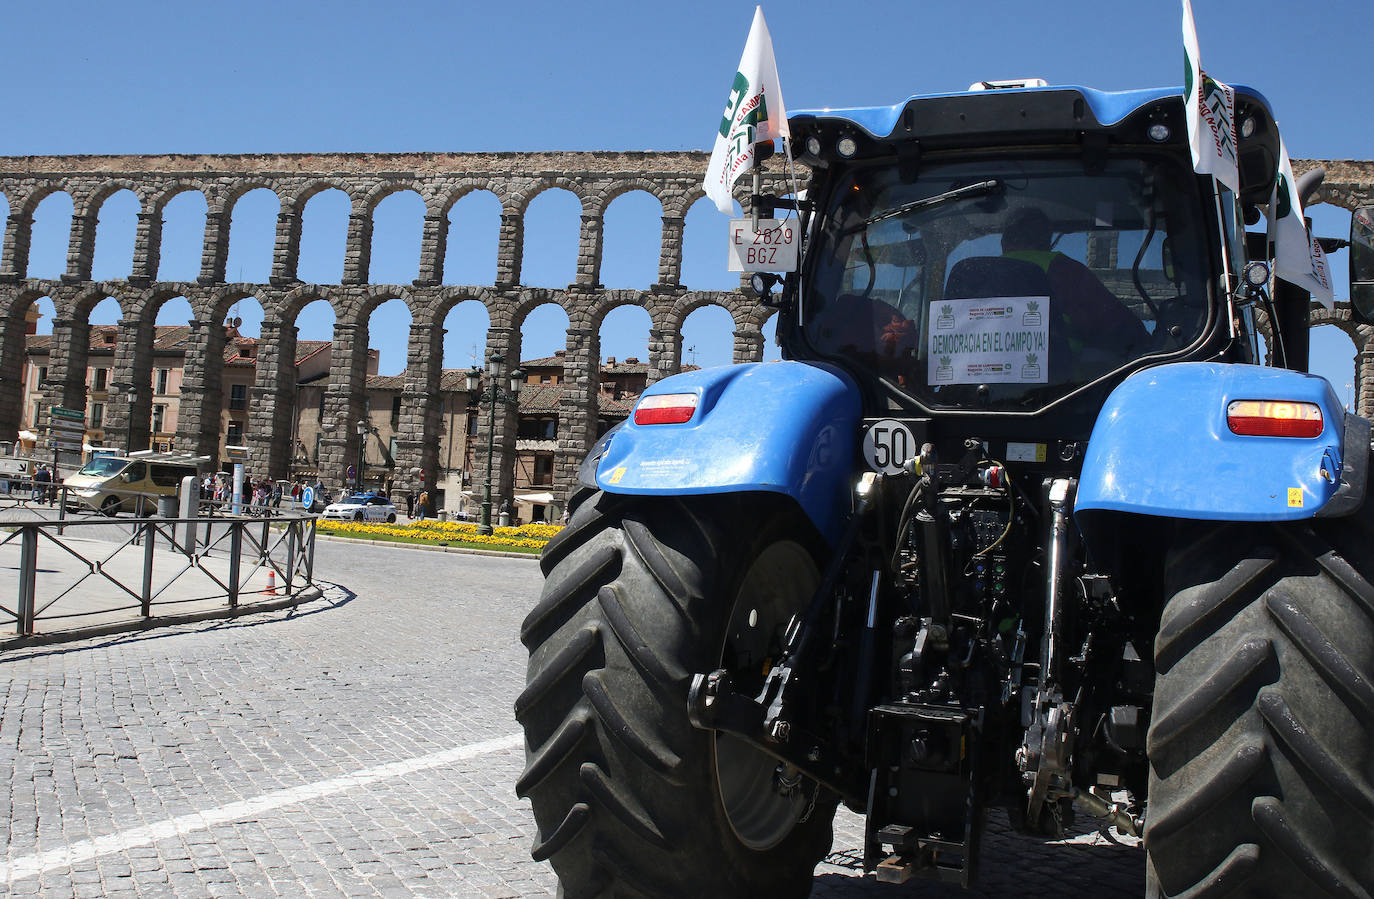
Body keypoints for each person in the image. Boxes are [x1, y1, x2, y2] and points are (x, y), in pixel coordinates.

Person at [998, 206, 1148, 355]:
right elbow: (1123, 329)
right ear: (1045, 242)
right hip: (1067, 376)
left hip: (983, 378)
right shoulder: (1062, 270)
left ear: (1004, 243)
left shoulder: (979, 275)